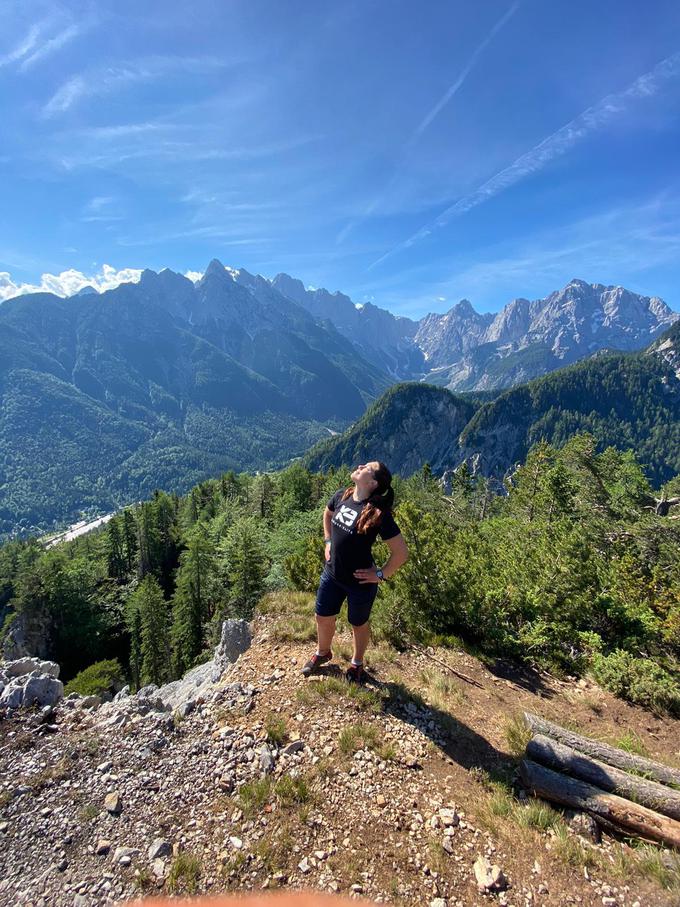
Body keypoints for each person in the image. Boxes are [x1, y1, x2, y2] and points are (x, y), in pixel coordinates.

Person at [302, 461, 409, 684]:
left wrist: (380, 575)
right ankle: (324, 652)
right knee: (322, 616)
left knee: (358, 624)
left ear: (372, 483)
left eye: (367, 467)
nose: (360, 465)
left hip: (360, 582)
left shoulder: (378, 514)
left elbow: (400, 553)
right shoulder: (344, 495)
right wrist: (328, 541)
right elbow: (327, 513)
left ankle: (357, 663)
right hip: (332, 574)